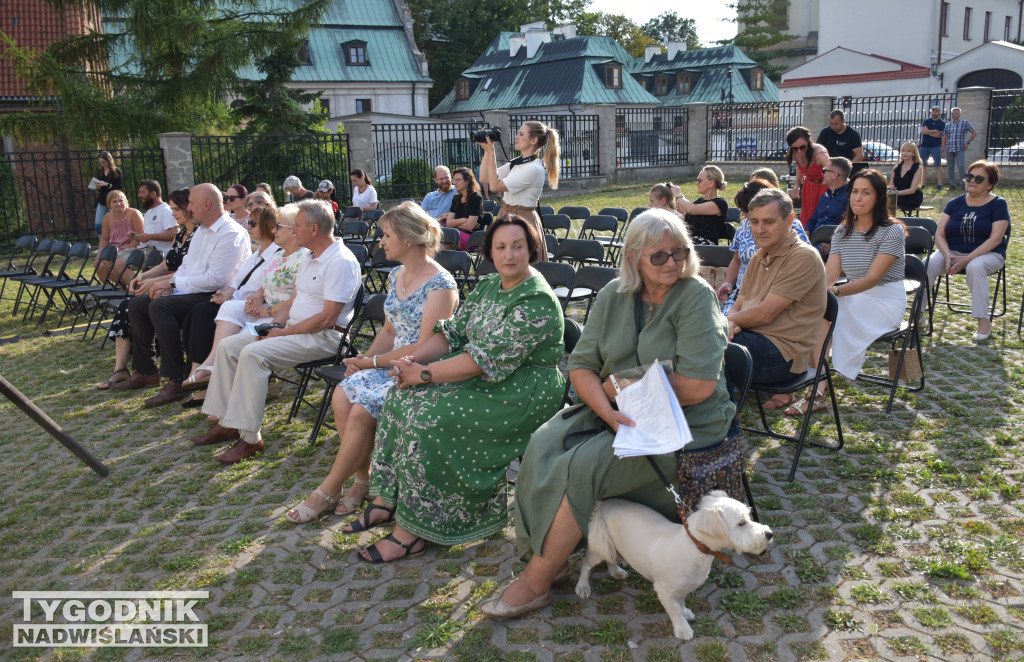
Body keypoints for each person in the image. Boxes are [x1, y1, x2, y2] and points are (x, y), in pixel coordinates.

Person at [479, 209, 736, 618]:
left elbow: (698, 386)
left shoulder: (695, 295)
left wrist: (617, 386)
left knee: (585, 465)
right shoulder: (616, 294)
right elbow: (580, 365)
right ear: (633, 257)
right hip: (618, 412)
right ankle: (551, 555)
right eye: (659, 256)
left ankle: (536, 582)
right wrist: (607, 408)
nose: (673, 262)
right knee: (544, 443)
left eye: (680, 252)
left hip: (687, 423)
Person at [342, 215, 565, 563]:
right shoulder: (490, 285)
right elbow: (450, 335)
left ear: (531, 249)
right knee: (400, 397)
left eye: (517, 246)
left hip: (524, 389)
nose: (509, 255)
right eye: (501, 247)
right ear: (490, 251)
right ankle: (390, 500)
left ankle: (413, 532)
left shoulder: (535, 299)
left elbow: (482, 359)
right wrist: (410, 364)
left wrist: (425, 375)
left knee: (428, 416)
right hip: (489, 376)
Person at [286, 202, 458, 523]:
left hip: (420, 371)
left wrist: (372, 362)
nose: (380, 241)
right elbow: (390, 329)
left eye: (386, 235)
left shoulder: (441, 285)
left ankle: (328, 490)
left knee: (363, 410)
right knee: (342, 395)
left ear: (408, 239)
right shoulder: (397, 274)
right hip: (388, 364)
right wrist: (365, 359)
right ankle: (364, 480)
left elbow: (424, 346)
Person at [192, 200, 362, 464]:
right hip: (294, 330)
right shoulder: (309, 256)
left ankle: (249, 439)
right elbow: (294, 301)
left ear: (314, 229)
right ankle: (227, 422)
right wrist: (275, 326)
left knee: (252, 354)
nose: (292, 231)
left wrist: (280, 334)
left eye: (297, 226)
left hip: (326, 338)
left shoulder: (340, 262)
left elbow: (327, 319)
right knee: (230, 346)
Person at [110, 184, 252, 406]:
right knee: (137, 304)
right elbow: (186, 267)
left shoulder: (230, 232)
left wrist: (171, 283)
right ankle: (146, 370)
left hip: (214, 295)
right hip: (190, 289)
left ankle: (176, 379)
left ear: (206, 204)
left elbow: (216, 280)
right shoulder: (202, 230)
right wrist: (167, 284)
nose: (189, 208)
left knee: (160, 306)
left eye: (192, 203)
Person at [177, 204, 290, 403]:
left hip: (262, 310)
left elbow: (270, 289)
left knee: (204, 314)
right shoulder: (257, 254)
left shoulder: (278, 254)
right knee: (199, 313)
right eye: (248, 221)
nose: (248, 226)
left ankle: (209, 377)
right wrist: (226, 294)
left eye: (253, 222)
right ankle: (203, 370)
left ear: (268, 225)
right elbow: (238, 282)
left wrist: (256, 301)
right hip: (241, 304)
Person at [726, 188, 827, 406]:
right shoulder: (758, 256)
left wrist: (725, 324)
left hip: (784, 357)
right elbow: (738, 306)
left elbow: (765, 314)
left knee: (703, 343)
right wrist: (730, 322)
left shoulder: (803, 257)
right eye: (754, 222)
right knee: (697, 342)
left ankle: (710, 422)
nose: (759, 229)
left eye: (768, 222)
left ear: (789, 220)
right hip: (752, 341)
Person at [98, 189, 197, 390]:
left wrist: (159, 282)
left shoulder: (199, 235)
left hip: (184, 286)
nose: (172, 213)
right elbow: (166, 264)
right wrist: (142, 277)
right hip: (171, 281)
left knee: (149, 305)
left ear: (189, 208)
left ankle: (168, 376)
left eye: (176, 209)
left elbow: (191, 272)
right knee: (130, 304)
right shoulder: (181, 235)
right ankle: (136, 370)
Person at [824, 170, 906, 384]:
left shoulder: (892, 231)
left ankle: (818, 386)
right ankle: (818, 384)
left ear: (879, 197)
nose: (858, 198)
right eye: (854, 192)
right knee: (819, 313)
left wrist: (834, 292)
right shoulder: (842, 231)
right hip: (853, 295)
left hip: (884, 301)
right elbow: (830, 274)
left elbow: (872, 279)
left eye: (866, 193)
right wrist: (817, 291)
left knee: (829, 316)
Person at [926, 161, 1010, 342]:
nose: (972, 180)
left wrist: (967, 259)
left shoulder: (998, 204)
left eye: (978, 178)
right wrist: (947, 256)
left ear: (990, 184)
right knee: (930, 263)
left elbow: (995, 239)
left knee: (975, 267)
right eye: (969, 176)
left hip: (989, 254)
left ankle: (983, 320)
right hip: (952, 252)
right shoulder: (955, 203)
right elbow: (939, 234)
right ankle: (919, 314)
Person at [719, 179, 808, 315]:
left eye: (745, 210)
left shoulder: (791, 228)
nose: (742, 214)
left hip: (772, 300)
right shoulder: (744, 226)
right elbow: (737, 261)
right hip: (742, 296)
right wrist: (728, 284)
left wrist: (732, 321)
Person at [478, 120, 561, 261]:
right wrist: (487, 152)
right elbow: (484, 177)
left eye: (521, 134)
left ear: (533, 140)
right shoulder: (518, 162)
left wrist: (492, 153)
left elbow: (495, 186)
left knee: (521, 266)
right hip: (506, 213)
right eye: (518, 133)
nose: (516, 137)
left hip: (523, 219)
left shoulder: (533, 168)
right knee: (504, 263)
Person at [94, 190, 144, 288]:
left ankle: (134, 287)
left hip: (133, 247)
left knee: (111, 261)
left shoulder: (134, 213)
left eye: (121, 200)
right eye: (114, 201)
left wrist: (123, 251)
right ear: (109, 204)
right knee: (99, 265)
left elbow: (140, 237)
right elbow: (104, 239)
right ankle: (114, 290)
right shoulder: (107, 217)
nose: (118, 204)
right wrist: (99, 254)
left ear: (126, 201)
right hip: (115, 249)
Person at [804, 157, 852, 259]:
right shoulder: (825, 196)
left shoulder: (849, 198)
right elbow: (813, 219)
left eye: (824, 170)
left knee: (801, 258)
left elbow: (849, 225)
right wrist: (805, 234)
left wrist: (833, 244)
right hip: (814, 242)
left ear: (835, 174)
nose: (822, 174)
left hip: (832, 246)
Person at [670, 165, 729, 245]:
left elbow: (691, 209)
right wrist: (671, 195)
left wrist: (678, 195)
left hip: (707, 247)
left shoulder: (720, 203)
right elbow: (685, 212)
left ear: (711, 183)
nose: (696, 183)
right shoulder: (700, 201)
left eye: (699, 180)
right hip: (693, 244)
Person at [786, 126, 831, 227]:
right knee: (807, 216)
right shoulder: (796, 152)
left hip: (823, 186)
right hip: (809, 186)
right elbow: (800, 167)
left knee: (821, 215)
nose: (799, 151)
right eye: (795, 148)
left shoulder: (819, 154)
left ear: (809, 142)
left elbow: (833, 171)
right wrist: (797, 185)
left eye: (802, 147)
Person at [439, 167, 483, 249]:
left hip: (472, 238)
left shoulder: (476, 198)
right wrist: (464, 220)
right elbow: (449, 223)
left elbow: (469, 227)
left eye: (458, 180)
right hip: (456, 235)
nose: (454, 183)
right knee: (441, 246)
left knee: (445, 238)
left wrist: (454, 224)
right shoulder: (456, 198)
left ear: (467, 181)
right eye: (454, 180)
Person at [135, 180, 178, 256]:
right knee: (111, 259)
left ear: (153, 194)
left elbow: (174, 234)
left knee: (118, 263)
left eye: (142, 192)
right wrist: (136, 236)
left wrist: (150, 237)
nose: (139, 195)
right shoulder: (148, 213)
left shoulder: (167, 211)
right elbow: (148, 236)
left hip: (157, 252)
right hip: (143, 249)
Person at [942, 107, 977, 191]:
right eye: (952, 113)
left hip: (960, 148)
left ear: (960, 114)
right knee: (950, 167)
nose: (953, 115)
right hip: (950, 148)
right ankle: (952, 184)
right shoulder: (948, 125)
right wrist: (943, 150)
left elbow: (974, 132)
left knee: (961, 166)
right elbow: (945, 137)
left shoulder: (964, 123)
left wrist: (967, 143)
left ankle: (964, 184)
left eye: (955, 113)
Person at [92, 150, 123, 236]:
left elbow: (119, 188)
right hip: (102, 200)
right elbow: (100, 189)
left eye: (104, 162)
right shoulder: (100, 172)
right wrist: (98, 187)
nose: (102, 164)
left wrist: (107, 184)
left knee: (114, 224)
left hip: (113, 200)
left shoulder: (116, 172)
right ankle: (102, 244)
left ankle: (114, 243)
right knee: (98, 225)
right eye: (100, 162)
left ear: (109, 160)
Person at [891, 143, 925, 215]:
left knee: (890, 202)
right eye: (903, 151)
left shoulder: (917, 168)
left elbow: (912, 190)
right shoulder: (896, 168)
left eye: (908, 151)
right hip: (897, 195)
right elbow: (891, 185)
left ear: (914, 154)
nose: (905, 153)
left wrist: (895, 193)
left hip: (911, 197)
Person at [920, 106, 946, 188]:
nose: (934, 113)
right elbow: (922, 131)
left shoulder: (942, 123)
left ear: (939, 113)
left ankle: (940, 184)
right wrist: (934, 131)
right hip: (924, 146)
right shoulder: (926, 121)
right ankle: (922, 183)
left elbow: (940, 135)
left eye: (936, 111)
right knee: (923, 165)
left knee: (938, 165)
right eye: (933, 111)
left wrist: (927, 132)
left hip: (936, 146)